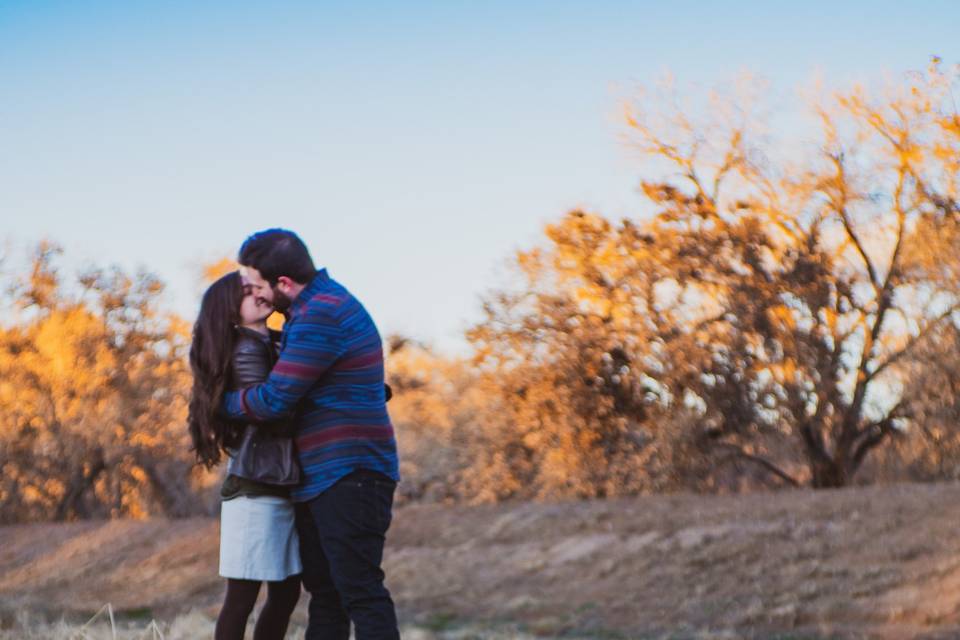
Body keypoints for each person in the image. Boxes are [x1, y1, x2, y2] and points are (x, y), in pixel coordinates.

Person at [220, 229, 401, 640]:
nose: (258, 295)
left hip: (351, 473)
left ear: (284, 283)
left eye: (259, 286)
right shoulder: (310, 312)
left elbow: (274, 400)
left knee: (359, 591)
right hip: (325, 476)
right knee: (327, 594)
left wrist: (220, 405)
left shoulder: (322, 312)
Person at [188, 271, 302, 640]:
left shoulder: (272, 341)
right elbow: (271, 410)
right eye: (246, 292)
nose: (258, 293)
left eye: (259, 287)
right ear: (228, 308)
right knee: (243, 597)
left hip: (277, 482)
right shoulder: (246, 347)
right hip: (257, 487)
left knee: (285, 593)